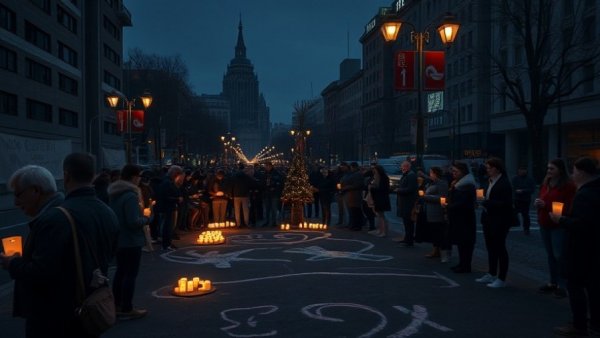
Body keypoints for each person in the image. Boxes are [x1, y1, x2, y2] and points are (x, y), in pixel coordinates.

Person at [2, 154, 119, 337]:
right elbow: (110, 256)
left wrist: (12, 263)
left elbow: (41, 272)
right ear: (93, 175)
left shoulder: (56, 218)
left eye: (18, 194)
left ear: (66, 176)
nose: (16, 202)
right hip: (91, 308)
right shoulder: (107, 211)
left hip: (55, 317)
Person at [550, 157, 600, 337]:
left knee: (576, 285)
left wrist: (561, 219)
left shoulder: (585, 194)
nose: (572, 174)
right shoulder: (594, 190)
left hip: (581, 249)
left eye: (574, 171)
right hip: (593, 249)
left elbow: (582, 224)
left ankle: (580, 324)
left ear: (582, 172)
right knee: (593, 288)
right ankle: (595, 323)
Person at [107, 164, 150, 320]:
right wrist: (147, 218)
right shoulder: (130, 195)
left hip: (119, 239)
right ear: (133, 177)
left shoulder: (115, 193)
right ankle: (127, 307)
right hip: (131, 240)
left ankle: (117, 304)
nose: (140, 180)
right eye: (139, 177)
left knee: (120, 273)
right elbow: (133, 221)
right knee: (130, 274)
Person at [535, 158, 577, 298]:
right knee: (551, 255)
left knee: (559, 255)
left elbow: (569, 206)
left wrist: (546, 205)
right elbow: (543, 197)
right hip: (544, 222)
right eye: (548, 168)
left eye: (552, 168)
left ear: (560, 170)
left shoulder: (568, 186)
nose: (549, 171)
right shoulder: (546, 182)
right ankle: (553, 282)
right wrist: (539, 203)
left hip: (557, 224)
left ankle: (563, 285)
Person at [476, 157, 514, 288]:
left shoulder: (504, 183)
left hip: (500, 220)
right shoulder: (489, 181)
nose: (487, 170)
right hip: (488, 218)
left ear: (496, 168)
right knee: (490, 247)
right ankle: (491, 273)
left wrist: (488, 203)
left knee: (499, 247)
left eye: (489, 167)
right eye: (487, 168)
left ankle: (501, 278)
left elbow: (506, 204)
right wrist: (481, 200)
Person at [445, 161, 477, 273]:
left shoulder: (467, 185)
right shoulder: (458, 183)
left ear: (462, 172)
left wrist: (449, 206)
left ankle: (465, 265)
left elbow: (464, 202)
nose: (453, 173)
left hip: (465, 218)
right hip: (458, 217)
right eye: (452, 171)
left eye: (455, 171)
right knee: (460, 242)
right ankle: (462, 263)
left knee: (465, 242)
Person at [420, 167, 450, 262]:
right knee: (433, 232)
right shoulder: (431, 183)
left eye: (431, 173)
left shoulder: (442, 183)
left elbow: (442, 197)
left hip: (437, 211)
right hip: (429, 211)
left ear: (435, 173)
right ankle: (435, 250)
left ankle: (444, 254)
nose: (430, 175)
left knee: (440, 233)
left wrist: (426, 197)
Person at [156, 165, 184, 251]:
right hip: (167, 208)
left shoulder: (170, 181)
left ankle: (168, 242)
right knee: (167, 226)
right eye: (178, 175)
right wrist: (177, 199)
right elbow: (166, 196)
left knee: (170, 226)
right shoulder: (167, 182)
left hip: (170, 207)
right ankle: (166, 244)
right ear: (175, 174)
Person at [395, 161, 418, 246]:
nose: (402, 168)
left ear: (408, 167)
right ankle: (407, 239)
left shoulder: (411, 175)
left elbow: (410, 189)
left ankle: (409, 240)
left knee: (408, 222)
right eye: (402, 167)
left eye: (403, 167)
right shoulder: (407, 175)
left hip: (408, 202)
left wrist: (399, 190)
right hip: (405, 202)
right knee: (406, 222)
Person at [367, 165, 391, 237]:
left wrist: (371, 188)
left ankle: (384, 231)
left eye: (375, 170)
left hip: (381, 198)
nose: (374, 171)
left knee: (381, 215)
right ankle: (380, 230)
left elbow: (382, 189)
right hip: (377, 198)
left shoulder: (383, 178)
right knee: (379, 215)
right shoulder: (377, 177)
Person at [340, 162, 365, 231]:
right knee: (353, 211)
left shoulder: (358, 174)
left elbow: (358, 184)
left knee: (356, 211)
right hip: (351, 195)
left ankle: (357, 225)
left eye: (351, 167)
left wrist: (346, 187)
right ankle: (353, 224)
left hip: (355, 195)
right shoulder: (353, 174)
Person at [511, 166, 536, 235]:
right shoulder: (515, 178)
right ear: (518, 170)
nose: (522, 171)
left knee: (525, 215)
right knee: (513, 213)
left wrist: (523, 191)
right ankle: (511, 225)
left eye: (524, 169)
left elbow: (532, 189)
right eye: (521, 169)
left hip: (525, 199)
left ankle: (526, 229)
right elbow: (512, 188)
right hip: (516, 199)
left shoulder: (530, 179)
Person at [261, 161, 284, 227]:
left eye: (267, 166)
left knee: (274, 208)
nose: (266, 167)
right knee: (267, 209)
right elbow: (262, 182)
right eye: (266, 166)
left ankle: (274, 222)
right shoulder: (265, 174)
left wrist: (274, 187)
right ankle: (267, 221)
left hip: (274, 194)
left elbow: (280, 183)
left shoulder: (276, 173)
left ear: (271, 166)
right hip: (267, 193)